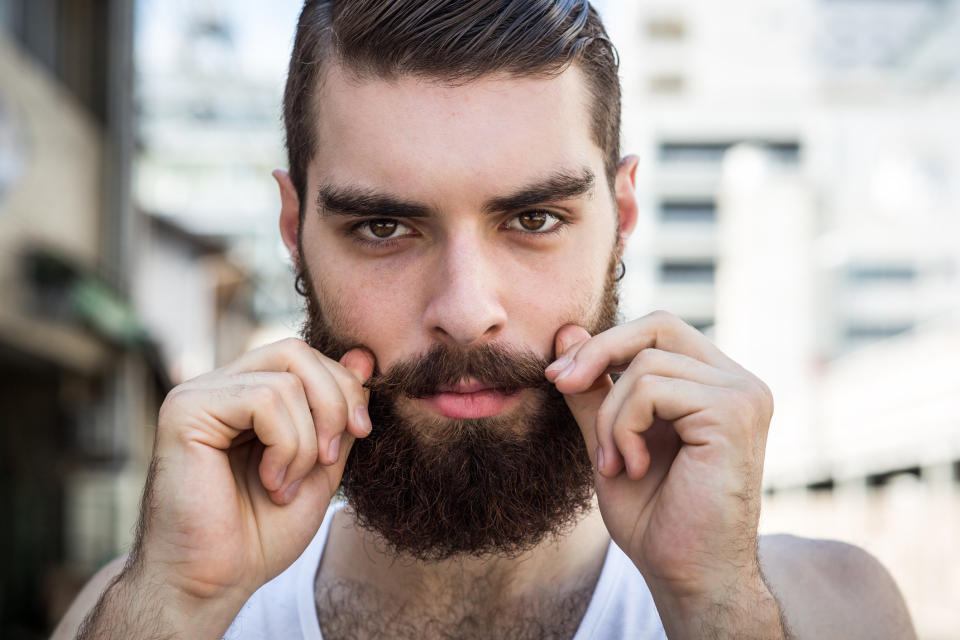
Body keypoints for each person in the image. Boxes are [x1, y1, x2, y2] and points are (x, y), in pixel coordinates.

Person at [53, 1, 916, 638]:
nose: (466, 312)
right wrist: (174, 607)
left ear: (622, 215)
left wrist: (718, 606)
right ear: (293, 229)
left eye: (534, 220)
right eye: (384, 227)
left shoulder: (837, 610)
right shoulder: (137, 613)